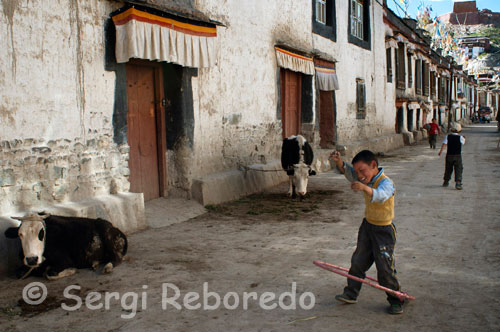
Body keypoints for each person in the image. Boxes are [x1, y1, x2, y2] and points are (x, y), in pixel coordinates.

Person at [329, 150, 404, 315]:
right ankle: (351, 293)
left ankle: (396, 299)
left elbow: (381, 195)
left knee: (384, 268)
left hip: (384, 231)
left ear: (374, 165)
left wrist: (364, 187)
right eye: (358, 172)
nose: (360, 175)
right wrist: (339, 162)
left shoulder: (386, 183)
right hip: (367, 227)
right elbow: (349, 173)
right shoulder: (365, 178)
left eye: (362, 170)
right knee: (358, 261)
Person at [438, 123, 466, 190]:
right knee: (458, 169)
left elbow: (444, 144)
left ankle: (446, 181)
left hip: (449, 156)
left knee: (448, 169)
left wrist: (440, 151)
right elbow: (463, 143)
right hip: (457, 156)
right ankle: (458, 183)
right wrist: (464, 138)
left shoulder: (447, 137)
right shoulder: (461, 138)